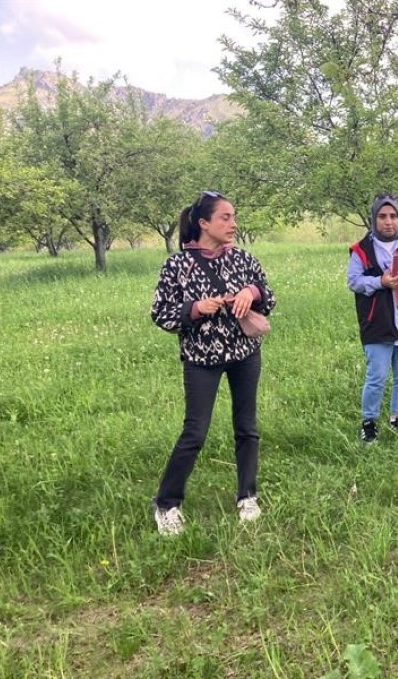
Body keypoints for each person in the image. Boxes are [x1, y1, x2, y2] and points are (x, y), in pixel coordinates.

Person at [149, 190, 277, 535]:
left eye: (234, 217)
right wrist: (195, 309)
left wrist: (252, 293)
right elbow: (160, 313)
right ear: (204, 223)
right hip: (201, 359)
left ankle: (247, 496)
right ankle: (166, 503)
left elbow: (269, 298)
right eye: (225, 217)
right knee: (195, 432)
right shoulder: (177, 266)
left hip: (245, 354)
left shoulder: (244, 259)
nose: (233, 224)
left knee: (247, 427)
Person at [346, 194, 398, 443]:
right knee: (377, 376)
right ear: (374, 219)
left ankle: (396, 419)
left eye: (393, 216)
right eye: (382, 216)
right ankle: (369, 423)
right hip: (377, 321)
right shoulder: (362, 250)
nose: (388, 221)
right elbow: (353, 281)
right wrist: (380, 282)